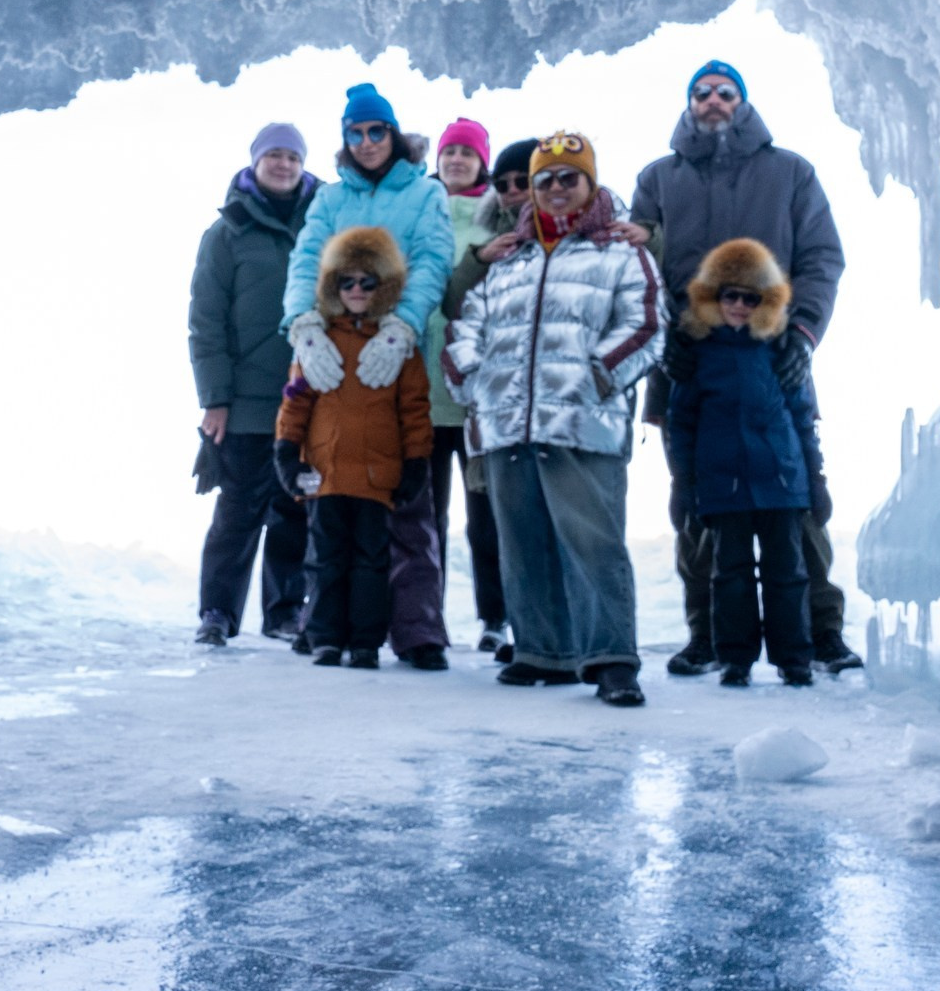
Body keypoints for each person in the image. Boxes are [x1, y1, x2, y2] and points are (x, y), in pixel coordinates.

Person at [630, 60, 858, 677]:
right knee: (699, 500)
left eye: (724, 93)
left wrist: (803, 333)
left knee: (796, 504)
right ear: (688, 104)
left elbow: (821, 257)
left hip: (774, 361)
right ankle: (708, 636)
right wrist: (664, 338)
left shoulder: (790, 173)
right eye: (701, 93)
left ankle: (820, 632)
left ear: (744, 102)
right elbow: (640, 268)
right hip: (685, 365)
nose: (713, 101)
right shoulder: (657, 178)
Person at [444, 132, 662, 707]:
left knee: (592, 542)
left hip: (582, 421)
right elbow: (467, 324)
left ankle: (612, 658)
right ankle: (545, 651)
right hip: (505, 421)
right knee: (523, 540)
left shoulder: (619, 252)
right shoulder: (508, 258)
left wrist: (597, 375)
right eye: (545, 181)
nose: (556, 189)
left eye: (570, 178)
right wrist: (470, 379)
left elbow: (644, 325)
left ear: (590, 184)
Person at [282, 84, 456, 668]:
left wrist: (404, 324)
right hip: (334, 353)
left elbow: (433, 259)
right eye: (355, 134)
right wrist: (303, 323)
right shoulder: (331, 198)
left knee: (406, 501)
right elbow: (306, 258)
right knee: (332, 507)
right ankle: (325, 622)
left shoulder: (424, 191)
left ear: (393, 134)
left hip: (398, 354)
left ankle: (417, 628)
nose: (366, 143)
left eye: (375, 131)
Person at [664, 239, 824, 687]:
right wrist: (684, 483)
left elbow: (802, 416)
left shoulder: (780, 351)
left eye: (749, 297)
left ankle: (795, 658)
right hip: (723, 484)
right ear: (712, 298)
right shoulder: (698, 352)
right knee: (729, 574)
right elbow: (682, 422)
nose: (737, 305)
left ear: (765, 301)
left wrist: (816, 479)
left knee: (787, 574)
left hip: (780, 481)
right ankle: (735, 658)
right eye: (728, 295)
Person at [274, 227, 434, 669]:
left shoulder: (400, 348)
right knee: (325, 561)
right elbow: (294, 402)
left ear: (385, 288)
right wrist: (287, 452)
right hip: (324, 476)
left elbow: (414, 411)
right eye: (348, 282)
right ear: (332, 287)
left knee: (371, 563)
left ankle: (365, 641)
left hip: (376, 477)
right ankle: (324, 637)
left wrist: (416, 463)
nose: (357, 291)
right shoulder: (318, 344)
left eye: (368, 282)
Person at [187, 124, 316, 646]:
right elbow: (206, 322)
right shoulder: (226, 233)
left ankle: (284, 612)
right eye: (273, 156)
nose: (283, 165)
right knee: (239, 510)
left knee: (295, 510)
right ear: (255, 162)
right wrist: (214, 399)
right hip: (245, 400)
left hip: (311, 394)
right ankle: (217, 612)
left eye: (292, 156)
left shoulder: (325, 222)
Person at [425, 119, 510, 654]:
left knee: (487, 517)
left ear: (483, 161)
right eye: (449, 151)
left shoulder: (497, 215)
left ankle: (495, 618)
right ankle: (425, 617)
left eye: (467, 152)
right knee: (425, 515)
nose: (456, 160)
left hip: (480, 393)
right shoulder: (422, 209)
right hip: (424, 386)